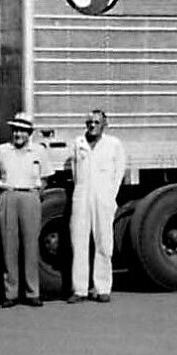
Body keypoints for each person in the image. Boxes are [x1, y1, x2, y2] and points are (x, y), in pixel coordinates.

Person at [0, 112, 52, 308]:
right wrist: (2, 187)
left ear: (29, 133)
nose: (18, 134)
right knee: (9, 246)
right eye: (15, 130)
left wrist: (37, 192)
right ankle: (11, 293)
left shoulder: (39, 151)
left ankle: (33, 293)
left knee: (31, 246)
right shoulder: (1, 150)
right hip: (8, 195)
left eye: (22, 130)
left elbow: (46, 176)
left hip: (30, 197)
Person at [67, 108, 127, 304]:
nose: (92, 126)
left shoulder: (113, 144)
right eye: (89, 123)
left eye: (96, 122)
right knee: (79, 241)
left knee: (103, 242)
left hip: (103, 198)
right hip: (82, 196)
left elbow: (119, 171)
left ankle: (102, 288)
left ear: (104, 125)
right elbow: (76, 172)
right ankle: (80, 289)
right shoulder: (79, 143)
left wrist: (110, 195)